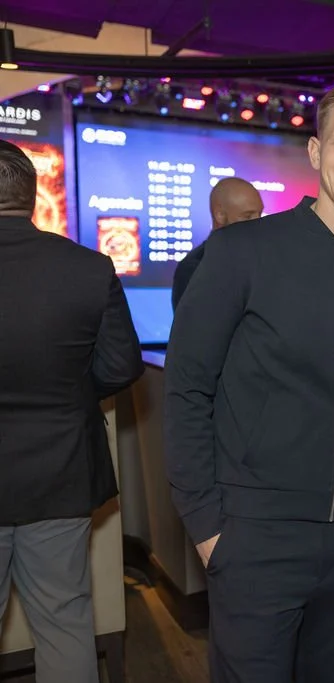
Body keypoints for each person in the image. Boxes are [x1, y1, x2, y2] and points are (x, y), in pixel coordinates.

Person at [163, 81, 334, 683]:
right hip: (255, 537)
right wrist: (207, 527)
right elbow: (186, 390)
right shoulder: (241, 254)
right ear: (314, 152)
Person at [0, 140, 144, 683]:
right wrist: (69, 392)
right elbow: (121, 365)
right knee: (64, 622)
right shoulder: (87, 268)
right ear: (33, 197)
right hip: (60, 472)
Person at [171, 177, 263, 310]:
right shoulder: (195, 268)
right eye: (247, 216)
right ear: (220, 215)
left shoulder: (263, 260)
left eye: (259, 214)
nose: (258, 223)